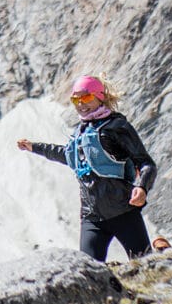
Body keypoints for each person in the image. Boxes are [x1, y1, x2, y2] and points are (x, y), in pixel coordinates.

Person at [15, 75, 159, 262]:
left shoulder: (117, 127)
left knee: (146, 265)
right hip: (91, 217)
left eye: (86, 98)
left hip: (123, 211)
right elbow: (67, 155)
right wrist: (34, 147)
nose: (81, 104)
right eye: (76, 99)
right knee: (88, 273)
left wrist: (142, 187)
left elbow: (146, 163)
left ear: (100, 97)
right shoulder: (81, 132)